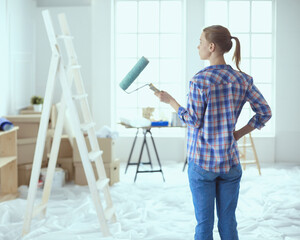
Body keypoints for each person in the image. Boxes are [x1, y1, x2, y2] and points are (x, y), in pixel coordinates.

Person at [154, 25, 272, 240]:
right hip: (230, 162)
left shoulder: (200, 80)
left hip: (202, 162)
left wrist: (170, 101)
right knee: (228, 222)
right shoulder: (244, 80)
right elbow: (264, 112)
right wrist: (237, 134)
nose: (197, 45)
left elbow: (192, 120)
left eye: (200, 41)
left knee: (204, 224)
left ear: (211, 46)